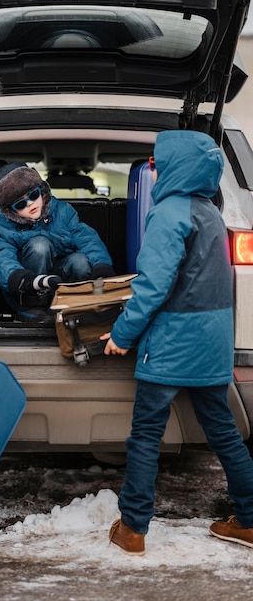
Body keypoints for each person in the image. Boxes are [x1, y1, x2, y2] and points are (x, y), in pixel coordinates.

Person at [101, 129, 253, 556]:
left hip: (173, 342)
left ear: (176, 167)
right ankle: (249, 520)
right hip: (211, 342)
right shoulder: (211, 212)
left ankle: (131, 529)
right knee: (224, 434)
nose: (154, 167)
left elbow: (152, 287)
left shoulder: (169, 213)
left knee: (145, 435)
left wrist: (121, 335)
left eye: (157, 161)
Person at [0, 162, 115, 323]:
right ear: (9, 210)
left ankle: (75, 303)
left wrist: (101, 266)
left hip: (60, 279)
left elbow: (87, 239)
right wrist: (25, 281)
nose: (30, 204)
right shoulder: (3, 227)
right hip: (28, 287)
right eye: (20, 204)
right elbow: (0, 258)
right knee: (40, 245)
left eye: (33, 195)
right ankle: (33, 306)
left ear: (43, 192)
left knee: (79, 260)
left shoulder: (63, 211)